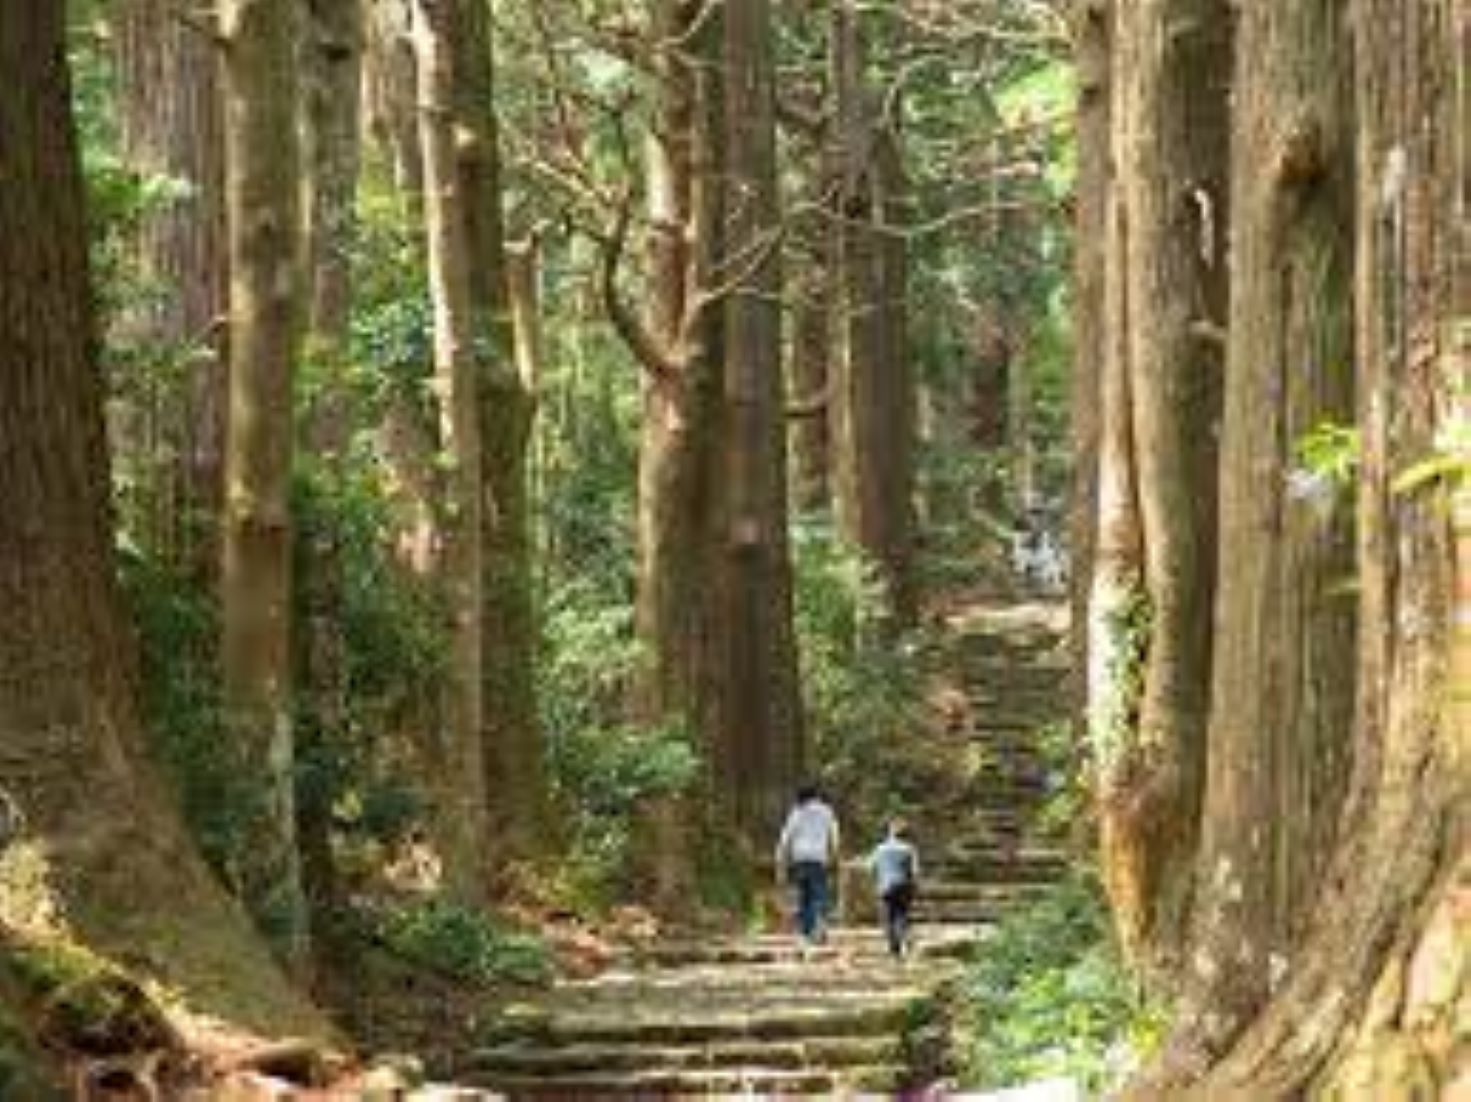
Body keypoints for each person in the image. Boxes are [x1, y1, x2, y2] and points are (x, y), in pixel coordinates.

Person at [774, 783, 841, 947]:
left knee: (804, 896)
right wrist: (835, 855)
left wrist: (780, 860)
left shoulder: (796, 813)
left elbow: (786, 838)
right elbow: (834, 834)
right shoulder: (826, 811)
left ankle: (805, 933)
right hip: (819, 858)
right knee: (819, 894)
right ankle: (819, 926)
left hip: (800, 859)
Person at [867, 818, 920, 958]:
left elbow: (870, 867)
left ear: (889, 833)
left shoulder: (880, 848)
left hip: (885, 886)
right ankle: (904, 941)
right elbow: (915, 871)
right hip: (903, 885)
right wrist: (915, 886)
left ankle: (894, 948)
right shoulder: (909, 849)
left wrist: (878, 877)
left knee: (888, 917)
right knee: (902, 915)